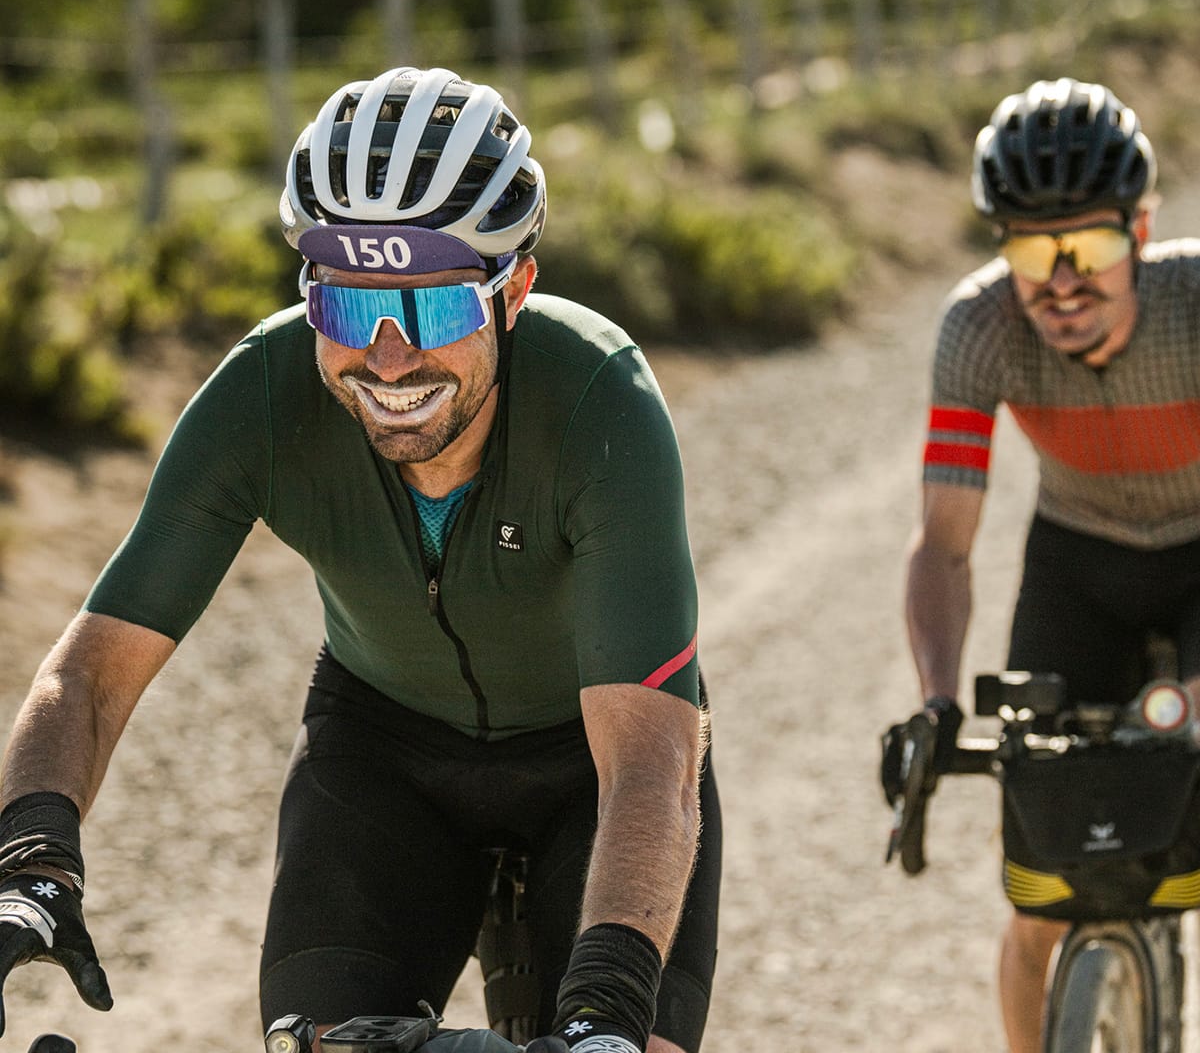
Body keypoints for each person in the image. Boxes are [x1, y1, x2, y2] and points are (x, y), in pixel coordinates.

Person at [0, 66, 720, 1053]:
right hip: (386, 753)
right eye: (346, 311)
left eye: (430, 311)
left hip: (594, 766)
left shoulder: (600, 398)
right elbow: (88, 670)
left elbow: (650, 762)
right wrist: (31, 860)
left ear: (515, 291)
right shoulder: (262, 392)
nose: (386, 360)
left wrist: (608, 1014)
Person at [889, 76, 1200, 1053]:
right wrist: (938, 703)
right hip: (1081, 567)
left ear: (1142, 230)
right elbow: (944, 543)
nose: (1062, 279)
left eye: (1092, 245)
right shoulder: (980, 328)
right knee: (1039, 902)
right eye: (1032, 246)